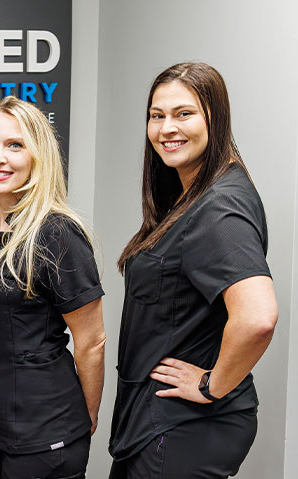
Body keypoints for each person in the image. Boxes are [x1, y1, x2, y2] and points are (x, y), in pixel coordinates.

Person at [109, 62, 278, 478]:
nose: (167, 128)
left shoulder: (218, 206)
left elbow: (258, 317)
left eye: (184, 114)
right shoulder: (192, 195)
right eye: (157, 115)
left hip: (185, 427)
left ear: (215, 118)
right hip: (161, 422)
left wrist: (211, 384)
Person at [0, 96, 105, 479]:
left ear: (38, 155)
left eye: (15, 145)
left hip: (42, 430)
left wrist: (82, 418)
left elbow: (92, 341)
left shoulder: (56, 233)